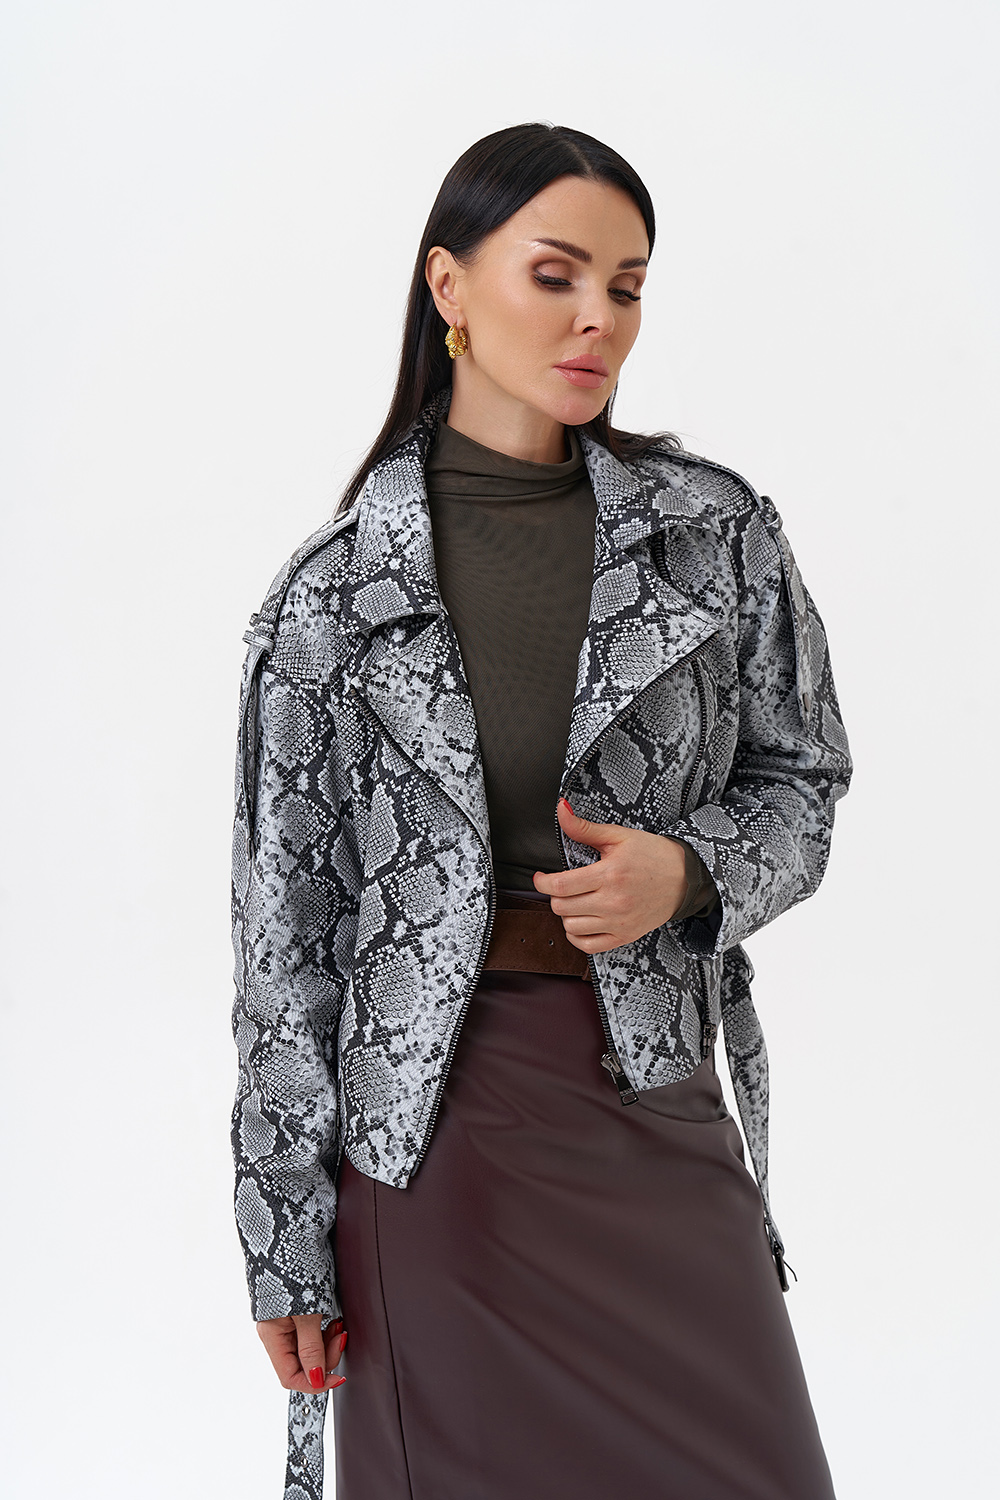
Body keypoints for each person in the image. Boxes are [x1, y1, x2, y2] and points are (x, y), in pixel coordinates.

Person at [230, 122, 853, 1500]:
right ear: (449, 285)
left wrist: (686, 871)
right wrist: (282, 1239)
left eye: (627, 286)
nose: (598, 319)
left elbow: (804, 780)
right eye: (556, 275)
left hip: (654, 1098)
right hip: (437, 1145)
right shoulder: (335, 595)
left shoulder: (713, 535)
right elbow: (285, 946)